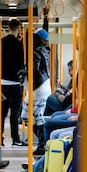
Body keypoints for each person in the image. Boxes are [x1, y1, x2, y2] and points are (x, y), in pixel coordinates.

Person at [20, 28, 51, 156]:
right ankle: (42, 145)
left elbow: (34, 69)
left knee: (25, 116)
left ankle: (42, 141)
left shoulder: (35, 52)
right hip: (45, 85)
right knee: (38, 116)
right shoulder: (45, 50)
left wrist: (24, 72)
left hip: (37, 88)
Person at [0, 18, 25, 146]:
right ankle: (15, 139)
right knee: (15, 114)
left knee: (2, 114)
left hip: (2, 82)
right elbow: (21, 64)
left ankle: (0, 139)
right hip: (15, 83)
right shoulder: (18, 44)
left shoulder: (1, 42)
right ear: (18, 28)